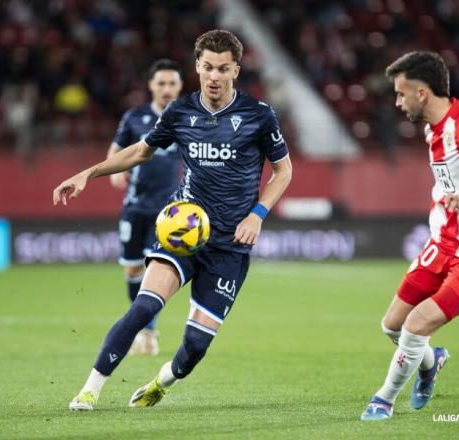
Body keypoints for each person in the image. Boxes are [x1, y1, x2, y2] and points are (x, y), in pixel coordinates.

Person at [53, 29, 293, 411]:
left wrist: (258, 214)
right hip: (182, 233)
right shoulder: (180, 112)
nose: (214, 76)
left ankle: (161, 382)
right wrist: (89, 172)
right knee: (144, 307)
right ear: (197, 66)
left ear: (236, 70)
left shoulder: (259, 116)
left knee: (195, 346)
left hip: (231, 245)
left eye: (223, 68)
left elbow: (283, 171)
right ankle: (90, 390)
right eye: (208, 67)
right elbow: (139, 152)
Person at [361, 51, 459, 421]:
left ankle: (384, 398)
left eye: (401, 94)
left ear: (422, 94)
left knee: (417, 324)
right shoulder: (432, 129)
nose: (398, 102)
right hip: (443, 243)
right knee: (392, 325)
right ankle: (431, 361)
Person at [106, 59, 183, 356]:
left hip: (169, 213)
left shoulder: (187, 119)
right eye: (161, 83)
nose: (166, 89)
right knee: (133, 270)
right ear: (151, 85)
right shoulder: (134, 118)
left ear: (179, 87)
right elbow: (115, 152)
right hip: (136, 208)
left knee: (155, 271)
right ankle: (144, 325)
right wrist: (115, 170)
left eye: (172, 84)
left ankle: (148, 331)